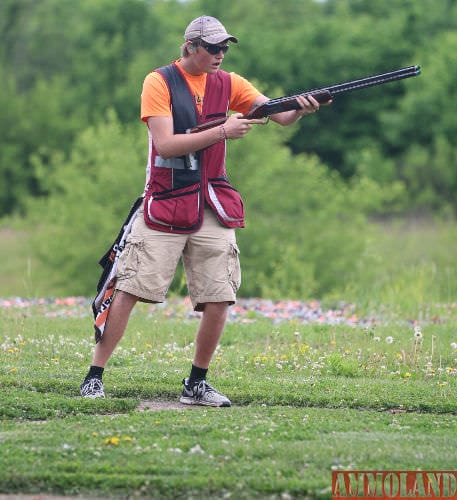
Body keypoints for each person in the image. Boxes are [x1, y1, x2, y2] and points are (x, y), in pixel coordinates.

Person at [80, 15, 323, 406]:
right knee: (128, 288)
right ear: (190, 46)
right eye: (213, 47)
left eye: (224, 47)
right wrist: (222, 131)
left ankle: (197, 382)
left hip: (212, 202)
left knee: (219, 294)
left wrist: (301, 108)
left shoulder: (231, 83)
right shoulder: (158, 81)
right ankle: (94, 375)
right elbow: (166, 144)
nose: (220, 54)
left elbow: (279, 115)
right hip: (165, 200)